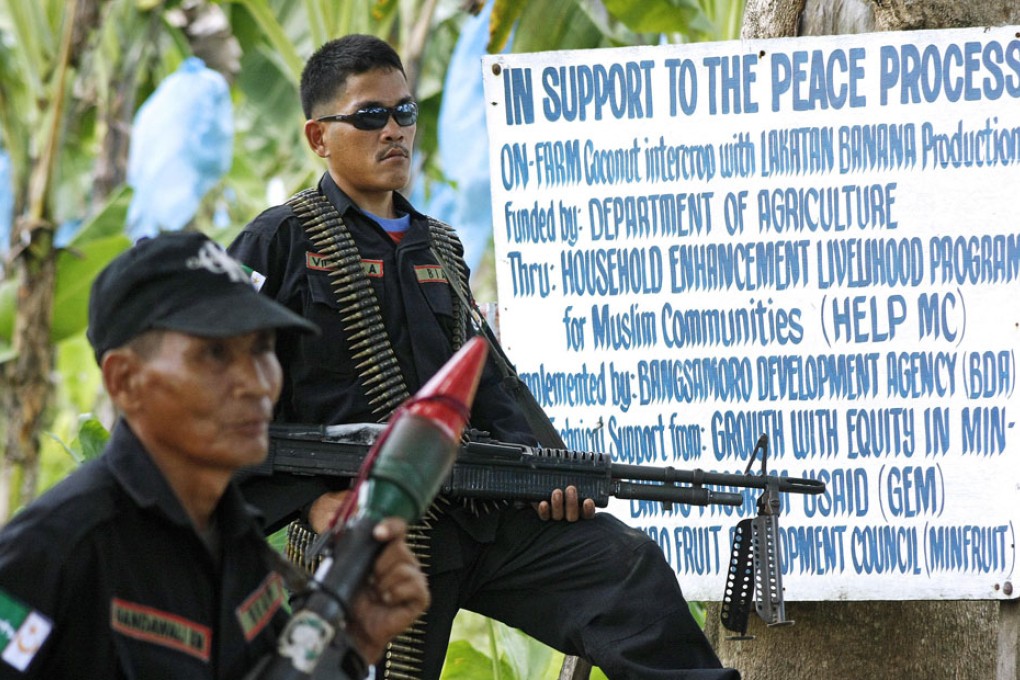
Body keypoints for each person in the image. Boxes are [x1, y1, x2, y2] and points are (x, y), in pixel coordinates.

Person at [228, 34, 740, 680]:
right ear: (317, 136)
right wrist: (311, 504)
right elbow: (216, 395)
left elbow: (486, 381)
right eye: (369, 116)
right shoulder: (280, 242)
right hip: (366, 529)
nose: (394, 131)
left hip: (474, 517)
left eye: (405, 113)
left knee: (624, 571)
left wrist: (542, 472)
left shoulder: (437, 246)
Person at [0, 232, 430, 679]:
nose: (257, 383)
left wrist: (356, 641)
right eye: (215, 354)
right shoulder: (56, 549)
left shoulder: (238, 542)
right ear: (126, 381)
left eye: (263, 349)